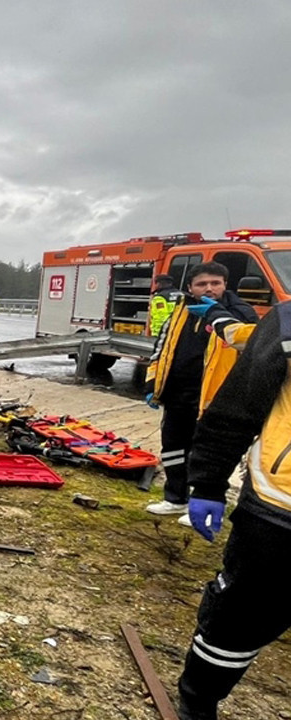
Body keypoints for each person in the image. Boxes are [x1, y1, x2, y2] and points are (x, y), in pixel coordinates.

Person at [174, 300, 291, 720]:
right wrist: (207, 482)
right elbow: (237, 409)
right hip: (279, 511)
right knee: (240, 619)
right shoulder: (289, 320)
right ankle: (197, 701)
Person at [143, 262, 258, 520]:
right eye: (202, 284)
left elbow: (253, 356)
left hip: (215, 398)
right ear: (190, 287)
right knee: (172, 448)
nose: (209, 288)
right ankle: (175, 498)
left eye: (215, 283)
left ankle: (203, 504)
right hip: (178, 394)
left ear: (225, 285)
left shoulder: (240, 313)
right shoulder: (181, 311)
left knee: (206, 453)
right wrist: (152, 385)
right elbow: (161, 349)